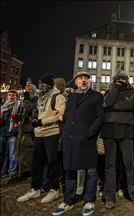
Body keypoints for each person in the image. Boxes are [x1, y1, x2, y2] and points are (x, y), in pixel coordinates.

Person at [51, 71, 104, 215]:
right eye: (81, 78)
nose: (84, 80)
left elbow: (100, 116)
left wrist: (90, 133)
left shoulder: (96, 96)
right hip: (71, 138)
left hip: (86, 139)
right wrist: (64, 123)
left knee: (91, 171)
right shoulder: (72, 97)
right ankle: (68, 200)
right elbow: (71, 114)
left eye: (86, 78)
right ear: (76, 82)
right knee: (70, 170)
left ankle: (89, 200)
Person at [17, 73, 66, 204]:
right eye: (40, 84)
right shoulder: (40, 98)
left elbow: (59, 116)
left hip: (52, 133)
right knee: (36, 163)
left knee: (52, 163)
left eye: (43, 84)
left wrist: (41, 122)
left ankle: (54, 189)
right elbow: (37, 112)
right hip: (39, 134)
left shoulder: (58, 97)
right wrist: (35, 120)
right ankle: (35, 187)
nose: (41, 86)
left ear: (49, 85)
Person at [101, 71, 134, 210]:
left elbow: (129, 105)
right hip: (109, 130)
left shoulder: (132, 91)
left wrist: (113, 106)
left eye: (123, 79)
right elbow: (107, 103)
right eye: (118, 80)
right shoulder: (110, 92)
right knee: (110, 165)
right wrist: (115, 90)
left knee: (129, 163)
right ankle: (109, 196)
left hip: (126, 130)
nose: (120, 81)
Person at [0, 89, 21, 179]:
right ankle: (2, 171)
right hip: (2, 132)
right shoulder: (3, 107)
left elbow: (21, 117)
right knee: (2, 154)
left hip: (12, 132)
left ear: (16, 97)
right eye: (9, 95)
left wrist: (17, 122)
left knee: (12, 154)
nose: (11, 96)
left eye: (13, 95)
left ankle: (12, 171)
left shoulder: (18, 105)